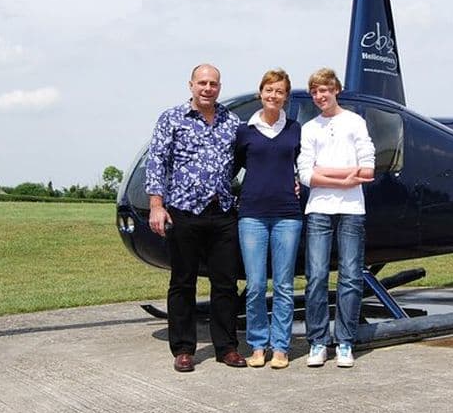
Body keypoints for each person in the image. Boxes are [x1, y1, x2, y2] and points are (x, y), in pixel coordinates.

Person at [144, 63, 247, 373]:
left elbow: (250, 157)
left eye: (213, 84)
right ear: (191, 85)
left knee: (225, 283)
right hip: (183, 211)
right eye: (202, 83)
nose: (207, 88)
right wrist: (156, 205)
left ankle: (226, 347)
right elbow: (157, 162)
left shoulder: (232, 122)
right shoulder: (171, 118)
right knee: (183, 282)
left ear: (219, 87)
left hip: (222, 211)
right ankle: (183, 349)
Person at [296, 67, 375, 368]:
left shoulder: (355, 122)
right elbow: (305, 174)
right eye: (315, 92)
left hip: (351, 210)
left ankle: (345, 341)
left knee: (351, 276)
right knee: (316, 276)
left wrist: (325, 173)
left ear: (336, 90)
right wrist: (345, 178)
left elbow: (367, 170)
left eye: (325, 90)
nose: (320, 96)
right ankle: (318, 341)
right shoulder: (309, 128)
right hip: (318, 209)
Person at [235, 69, 302, 369]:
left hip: (288, 216)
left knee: (284, 286)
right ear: (260, 93)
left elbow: (306, 164)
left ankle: (281, 347)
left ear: (286, 96)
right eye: (269, 90)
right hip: (252, 216)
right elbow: (233, 168)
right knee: (256, 285)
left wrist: (299, 183)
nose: (274, 95)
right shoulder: (244, 132)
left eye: (280, 91)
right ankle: (258, 345)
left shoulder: (296, 130)